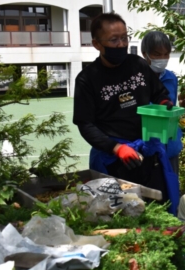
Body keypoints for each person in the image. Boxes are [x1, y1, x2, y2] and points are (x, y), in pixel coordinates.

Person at [73, 13, 179, 212]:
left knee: (159, 208)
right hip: (114, 160)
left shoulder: (137, 65)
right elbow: (85, 125)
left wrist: (164, 102)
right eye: (114, 40)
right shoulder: (87, 79)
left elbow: (159, 92)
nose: (121, 44)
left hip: (147, 150)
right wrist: (116, 148)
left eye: (124, 38)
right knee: (122, 213)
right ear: (96, 44)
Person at [140, 30, 182, 175]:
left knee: (171, 187)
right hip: (144, 146)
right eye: (157, 54)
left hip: (170, 145)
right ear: (145, 54)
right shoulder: (137, 79)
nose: (162, 59)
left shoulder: (171, 78)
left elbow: (171, 108)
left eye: (166, 54)